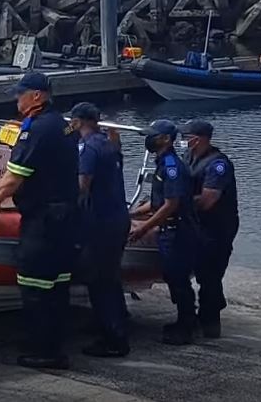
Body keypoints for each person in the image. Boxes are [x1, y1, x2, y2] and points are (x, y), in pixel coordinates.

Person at [0, 72, 79, 369]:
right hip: (65, 216)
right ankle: (54, 345)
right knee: (58, 285)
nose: (16, 99)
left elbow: (15, 174)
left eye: (20, 94)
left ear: (37, 96)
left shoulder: (36, 129)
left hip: (44, 220)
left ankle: (43, 351)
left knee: (34, 285)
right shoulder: (62, 125)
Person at [129, 120, 198, 345]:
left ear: (166, 139)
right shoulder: (161, 164)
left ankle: (187, 326)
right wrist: (131, 215)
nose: (149, 140)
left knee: (178, 279)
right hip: (168, 230)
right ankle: (184, 321)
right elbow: (155, 202)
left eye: (154, 136)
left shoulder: (171, 166)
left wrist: (144, 228)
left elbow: (170, 204)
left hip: (177, 231)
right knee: (171, 275)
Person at [70, 102, 130, 357]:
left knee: (100, 281)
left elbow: (82, 185)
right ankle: (115, 323)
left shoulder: (88, 148)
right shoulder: (108, 144)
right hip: (117, 218)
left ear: (78, 121)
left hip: (100, 222)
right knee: (110, 278)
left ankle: (113, 339)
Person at [179, 119, 238, 338]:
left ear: (199, 138)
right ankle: (206, 310)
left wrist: (178, 203)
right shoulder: (189, 157)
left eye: (186, 137)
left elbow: (208, 200)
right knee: (197, 269)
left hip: (217, 227)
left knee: (210, 275)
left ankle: (211, 322)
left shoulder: (218, 165)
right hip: (196, 225)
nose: (183, 141)